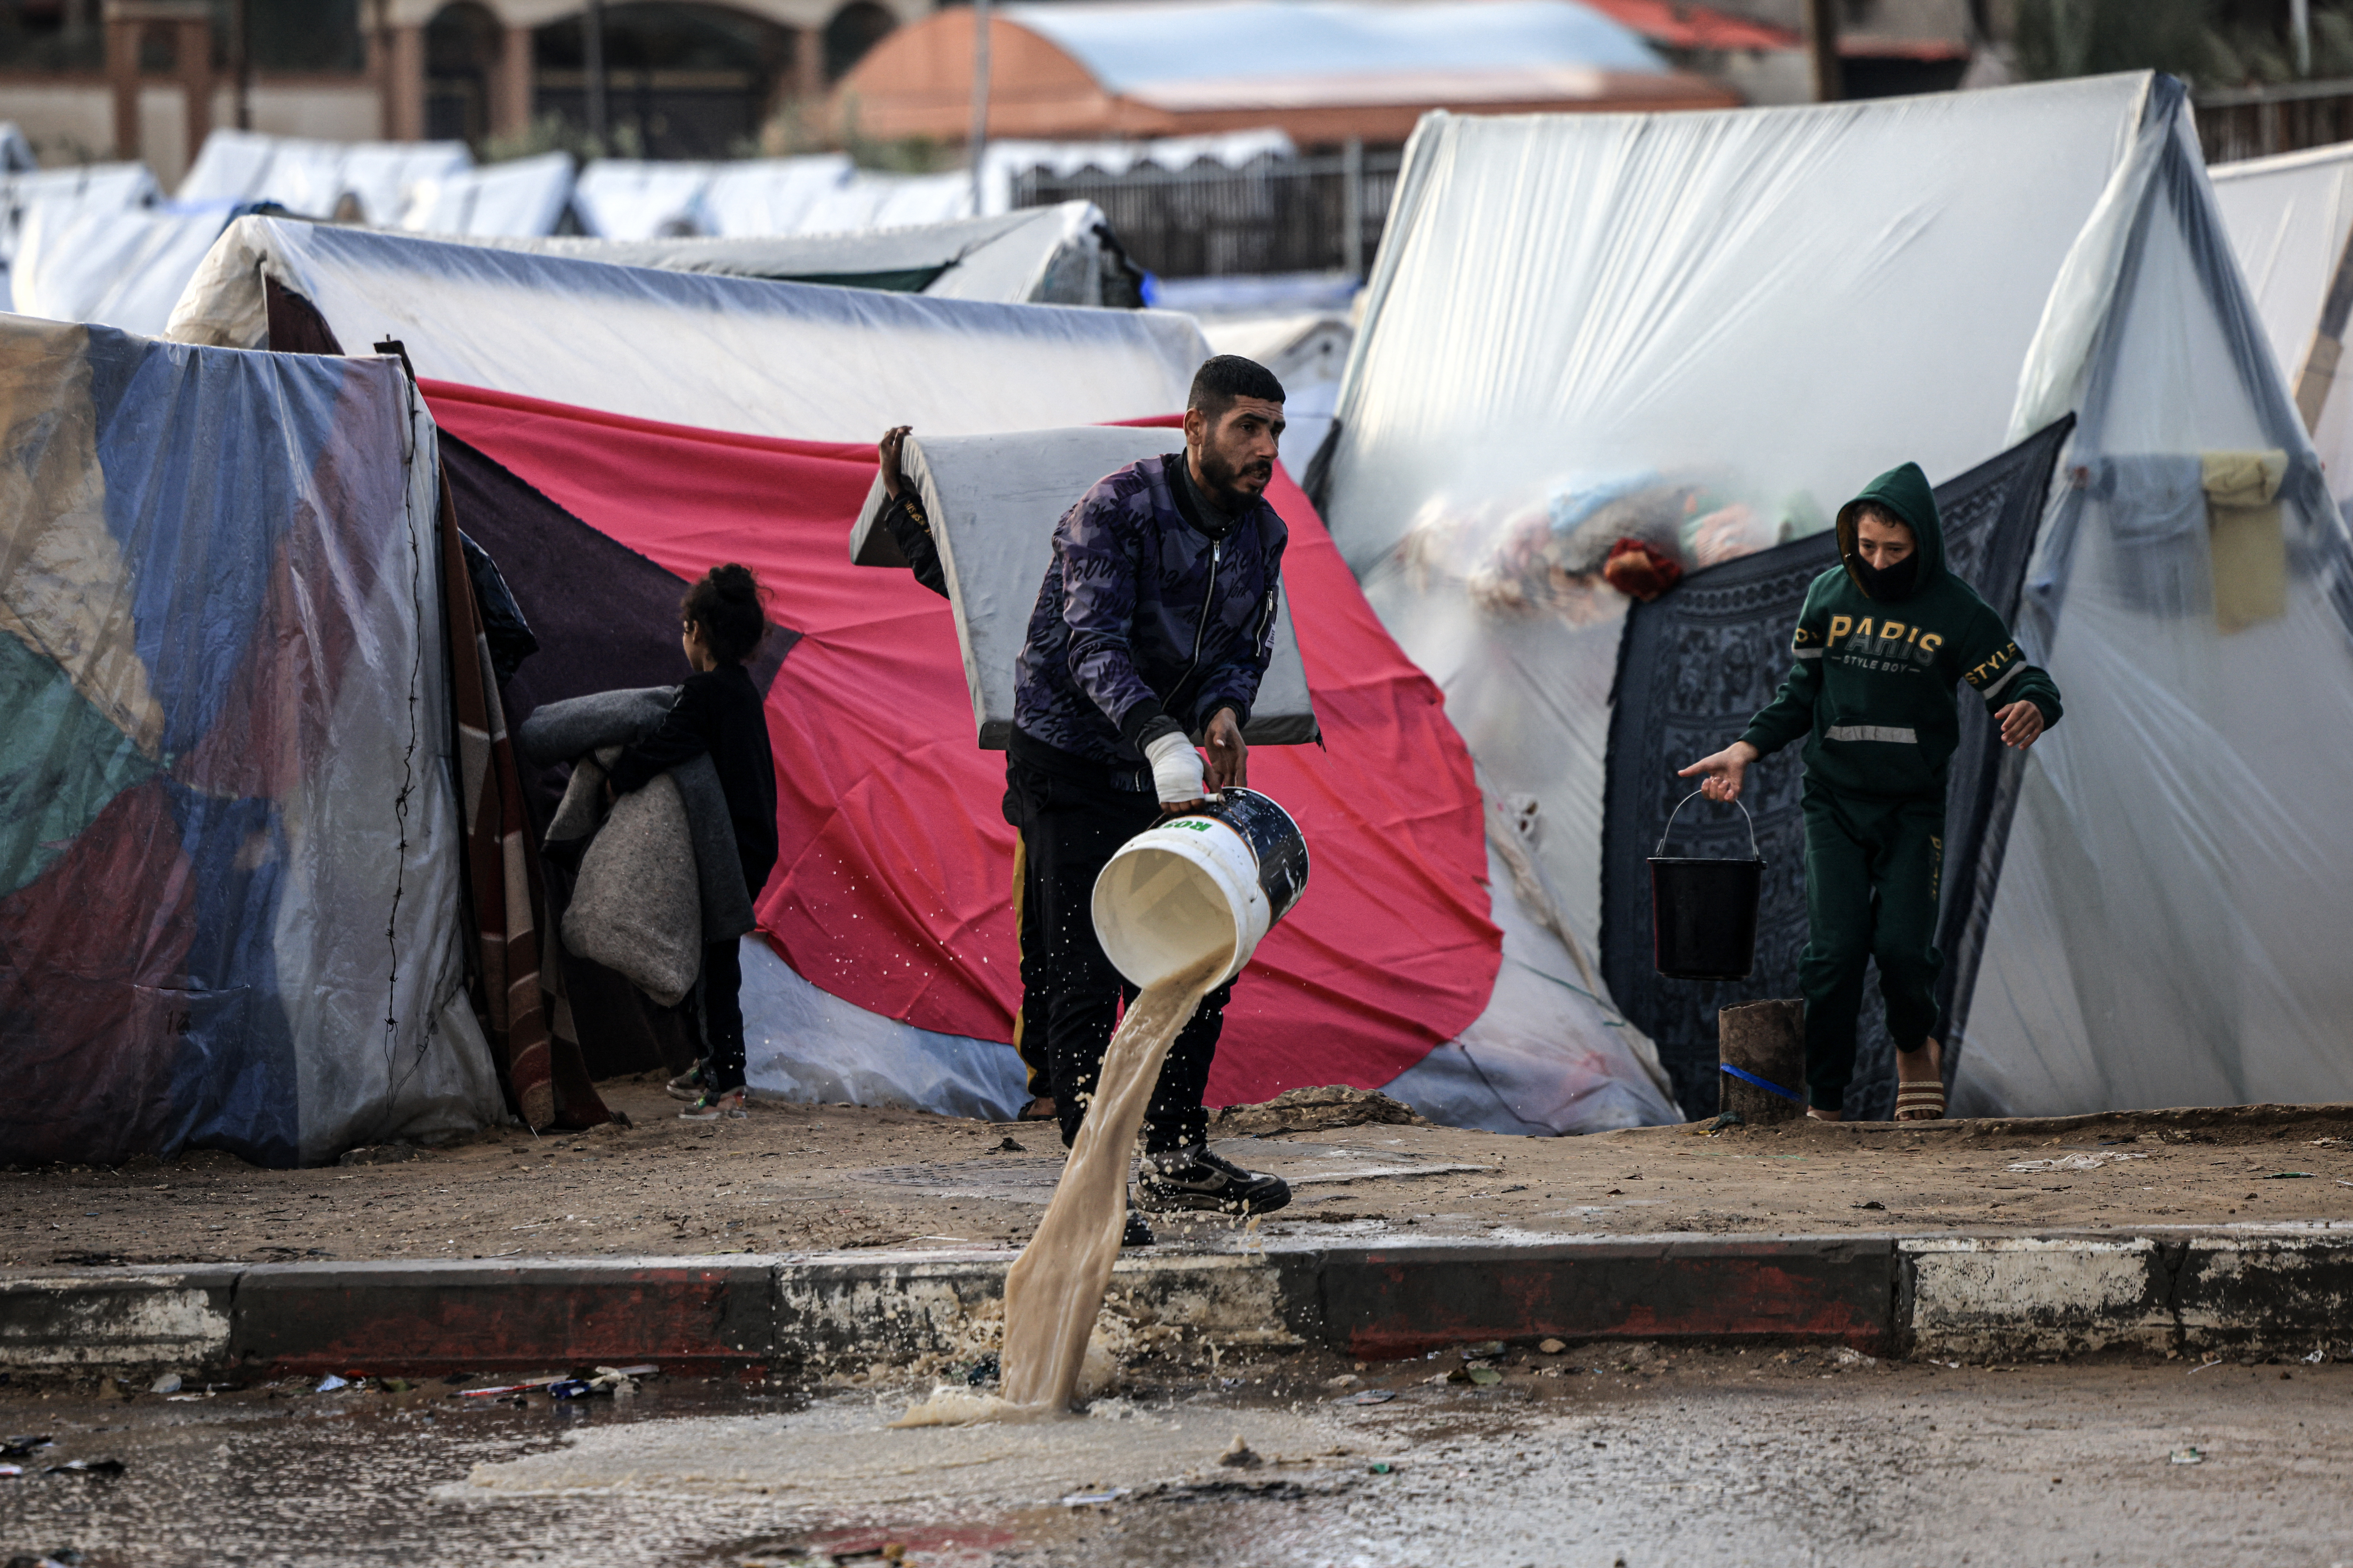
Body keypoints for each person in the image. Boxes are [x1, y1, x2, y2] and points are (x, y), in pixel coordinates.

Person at [878, 356, 1297, 1243]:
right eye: (1247, 428)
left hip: (1172, 761)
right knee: (1080, 967)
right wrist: (1158, 737)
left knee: (1200, 950)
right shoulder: (1115, 511)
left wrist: (1222, 711)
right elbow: (1089, 643)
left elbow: (1244, 650)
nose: (1266, 448)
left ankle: (1176, 1158)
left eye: (1275, 430)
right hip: (1068, 760)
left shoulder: (1264, 533)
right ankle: (1090, 1184)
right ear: (1194, 428)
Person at [1677, 463, 2062, 1123]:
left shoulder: (1955, 611)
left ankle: (1915, 1044)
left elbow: (2028, 683)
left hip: (1913, 808)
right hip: (1832, 802)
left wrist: (2032, 706)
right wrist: (1744, 750)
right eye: (1866, 547)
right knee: (1833, 954)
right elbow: (1799, 696)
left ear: (1923, 545)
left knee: (1905, 951)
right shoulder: (1827, 597)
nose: (1878, 562)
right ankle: (1825, 1104)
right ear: (1850, 537)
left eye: (1895, 550)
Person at [607, 564, 779, 1121]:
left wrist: (621, 773)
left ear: (697, 631)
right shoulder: (739, 691)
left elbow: (667, 744)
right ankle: (713, 1064)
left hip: (728, 849)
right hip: (752, 843)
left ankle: (727, 1083)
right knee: (711, 957)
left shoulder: (703, 693)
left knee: (712, 963)